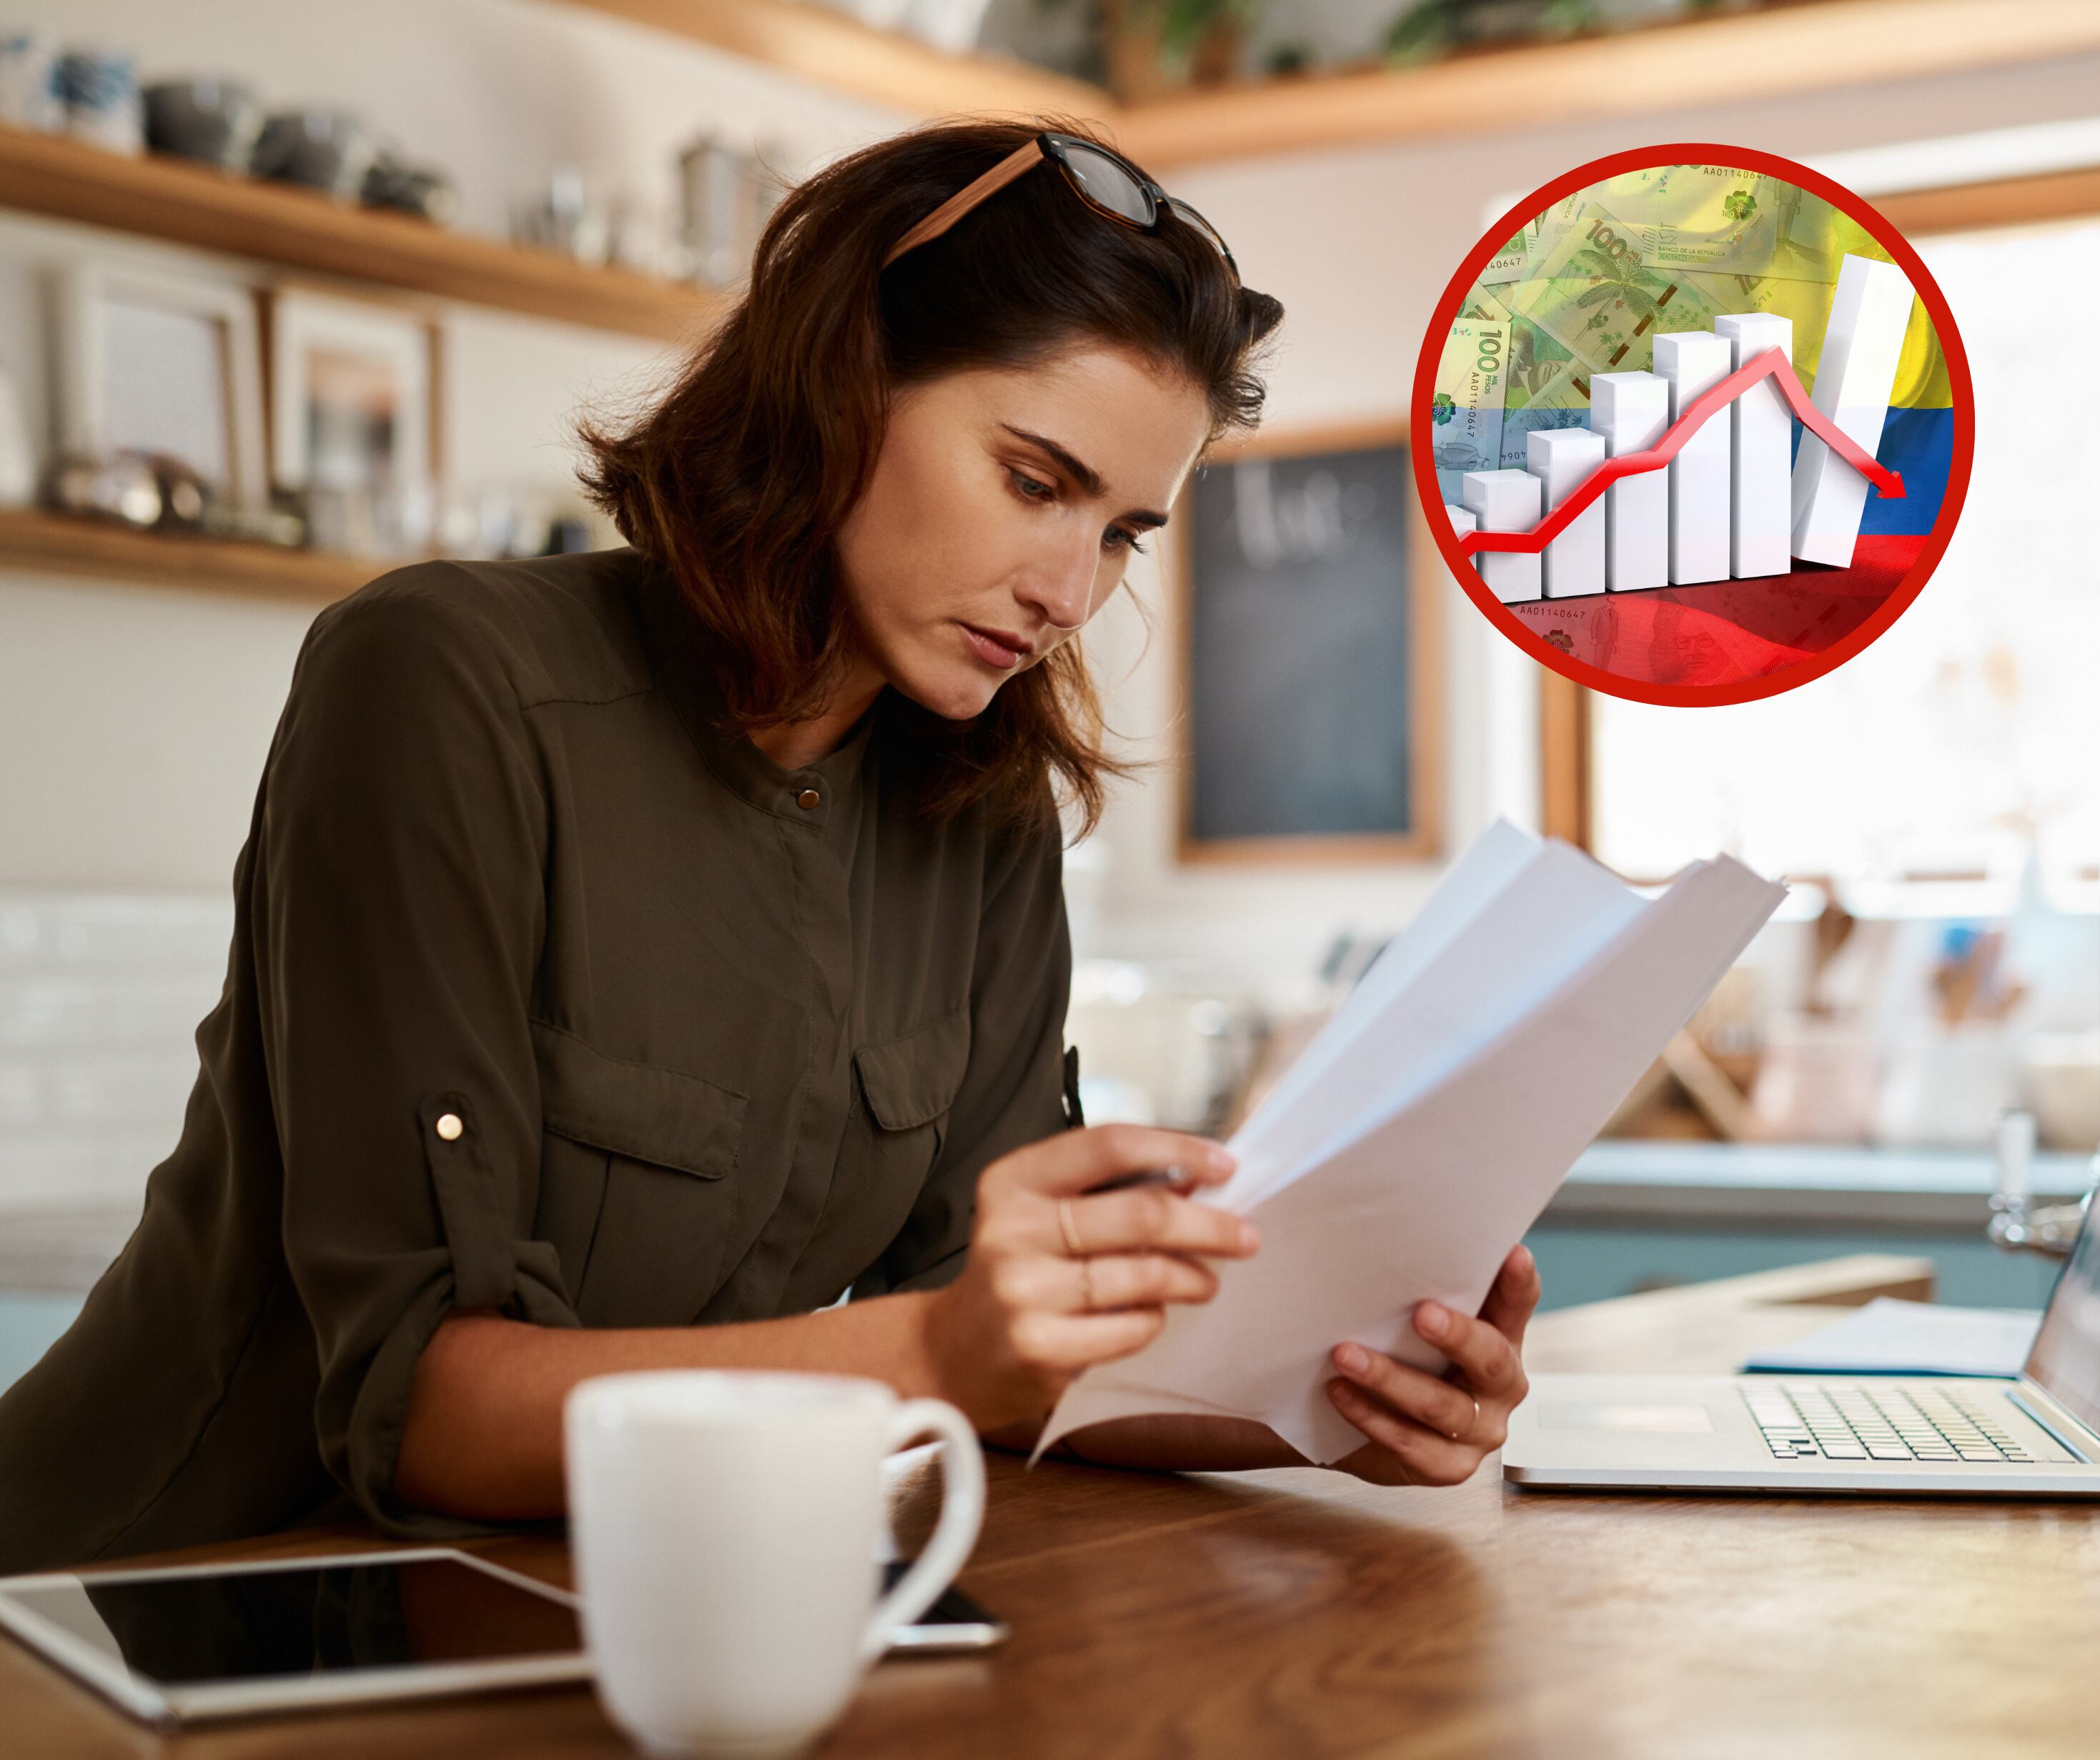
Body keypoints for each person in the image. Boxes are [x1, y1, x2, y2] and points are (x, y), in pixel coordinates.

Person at [0, 119, 1537, 1574]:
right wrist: (943, 1351)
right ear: (838, 382)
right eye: (1032, 480)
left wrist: (1328, 1406)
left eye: (1123, 529)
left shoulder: (981, 810)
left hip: (593, 1606)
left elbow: (999, 1354)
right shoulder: (442, 679)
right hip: (146, 1594)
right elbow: (419, 1406)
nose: (1073, 588)